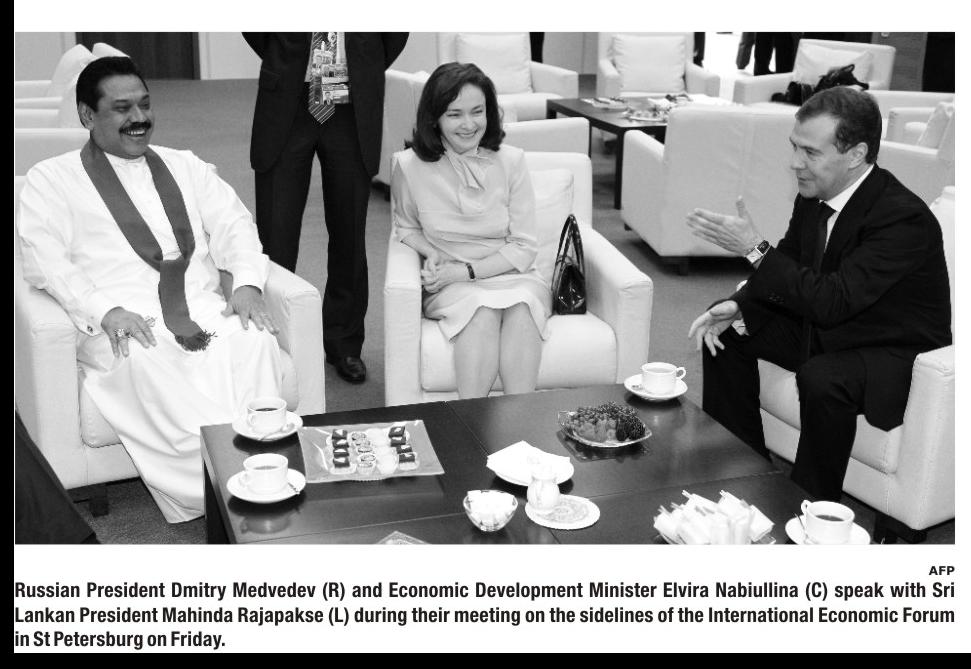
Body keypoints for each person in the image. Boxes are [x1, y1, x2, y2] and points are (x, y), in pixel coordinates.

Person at [17, 57, 284, 523]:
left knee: (255, 339)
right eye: (122, 108)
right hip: (122, 319)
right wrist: (104, 310)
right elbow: (45, 261)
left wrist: (246, 284)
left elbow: (235, 226)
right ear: (87, 115)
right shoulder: (51, 179)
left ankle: (263, 472)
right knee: (148, 362)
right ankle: (217, 493)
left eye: (144, 104)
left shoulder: (187, 166)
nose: (139, 118)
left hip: (200, 308)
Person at [686, 86, 951, 501]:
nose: (795, 163)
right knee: (727, 328)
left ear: (856, 154)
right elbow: (791, 261)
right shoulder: (814, 197)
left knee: (823, 378)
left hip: (890, 351)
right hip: (832, 327)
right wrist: (740, 304)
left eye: (810, 152)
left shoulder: (902, 218)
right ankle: (741, 472)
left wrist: (753, 248)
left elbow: (832, 300)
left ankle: (811, 510)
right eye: (794, 147)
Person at [244, 32, 409, 384]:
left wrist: (364, 61)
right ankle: (274, 341)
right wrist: (285, 51)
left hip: (351, 100)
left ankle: (343, 342)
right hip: (289, 94)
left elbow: (394, 34)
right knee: (276, 234)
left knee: (350, 232)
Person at [390, 63, 549, 399]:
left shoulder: (512, 161)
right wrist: (432, 253)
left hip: (514, 275)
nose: (469, 124)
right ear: (434, 118)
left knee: (522, 308)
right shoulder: (408, 166)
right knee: (481, 311)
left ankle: (520, 421)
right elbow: (406, 226)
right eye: (455, 114)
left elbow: (523, 247)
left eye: (478, 112)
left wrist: (465, 272)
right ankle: (472, 423)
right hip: (451, 285)